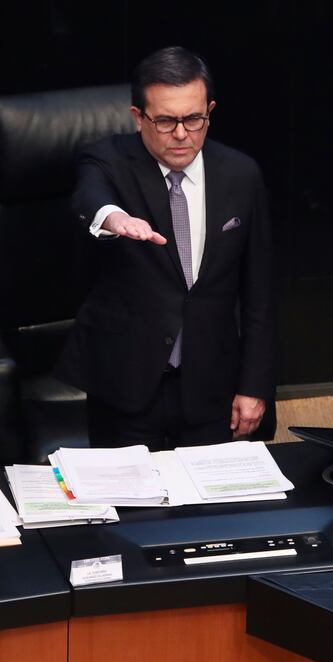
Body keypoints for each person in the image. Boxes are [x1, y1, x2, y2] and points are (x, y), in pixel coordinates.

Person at [57, 46, 275, 449]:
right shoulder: (106, 159)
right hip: (127, 384)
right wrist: (113, 218)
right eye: (165, 120)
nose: (180, 134)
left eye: (193, 119)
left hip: (213, 386)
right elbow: (90, 197)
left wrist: (254, 385)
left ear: (209, 111)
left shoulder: (241, 174)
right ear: (138, 117)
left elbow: (259, 292)